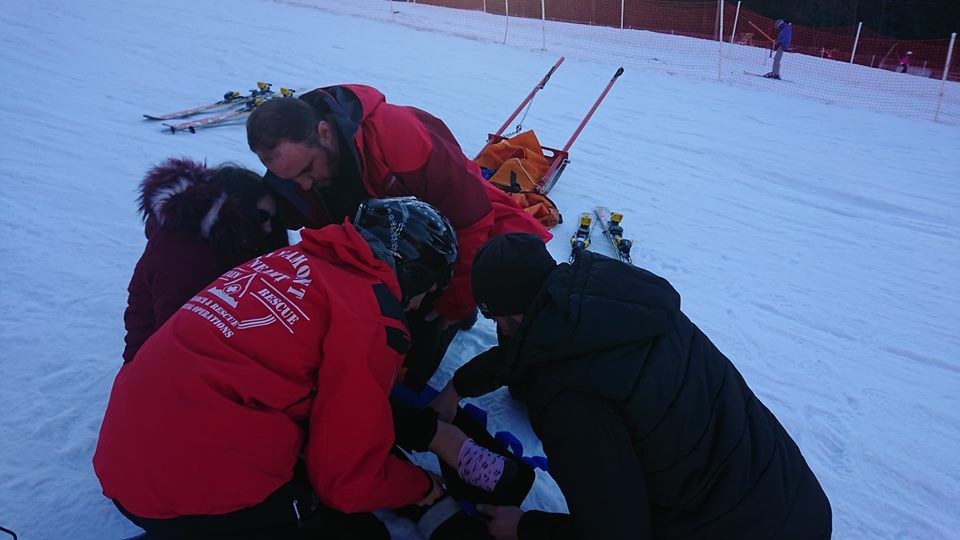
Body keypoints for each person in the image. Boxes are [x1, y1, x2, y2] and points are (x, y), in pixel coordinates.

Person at [95, 198, 519, 540]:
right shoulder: (370, 316)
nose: (415, 306)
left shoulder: (289, 260)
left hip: (123, 456)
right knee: (356, 529)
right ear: (414, 277)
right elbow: (345, 480)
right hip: (181, 492)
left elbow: (329, 400)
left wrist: (430, 436)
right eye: (425, 293)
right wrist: (423, 489)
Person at [431, 233, 833, 540]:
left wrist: (525, 527)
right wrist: (458, 386)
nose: (500, 333)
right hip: (794, 496)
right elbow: (539, 345)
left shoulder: (569, 401)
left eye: (499, 322)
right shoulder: (613, 302)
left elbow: (618, 533)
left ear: (512, 317)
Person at [245, 86, 551, 390]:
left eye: (307, 169)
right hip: (390, 259)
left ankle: (462, 311)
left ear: (324, 132)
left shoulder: (398, 137)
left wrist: (452, 306)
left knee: (419, 370)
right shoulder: (298, 173)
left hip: (452, 241)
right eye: (292, 179)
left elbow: (472, 223)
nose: (305, 184)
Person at [122, 158, 288, 363]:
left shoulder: (221, 245)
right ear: (237, 211)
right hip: (155, 370)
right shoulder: (186, 257)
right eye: (261, 217)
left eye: (273, 219)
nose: (268, 229)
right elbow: (180, 340)